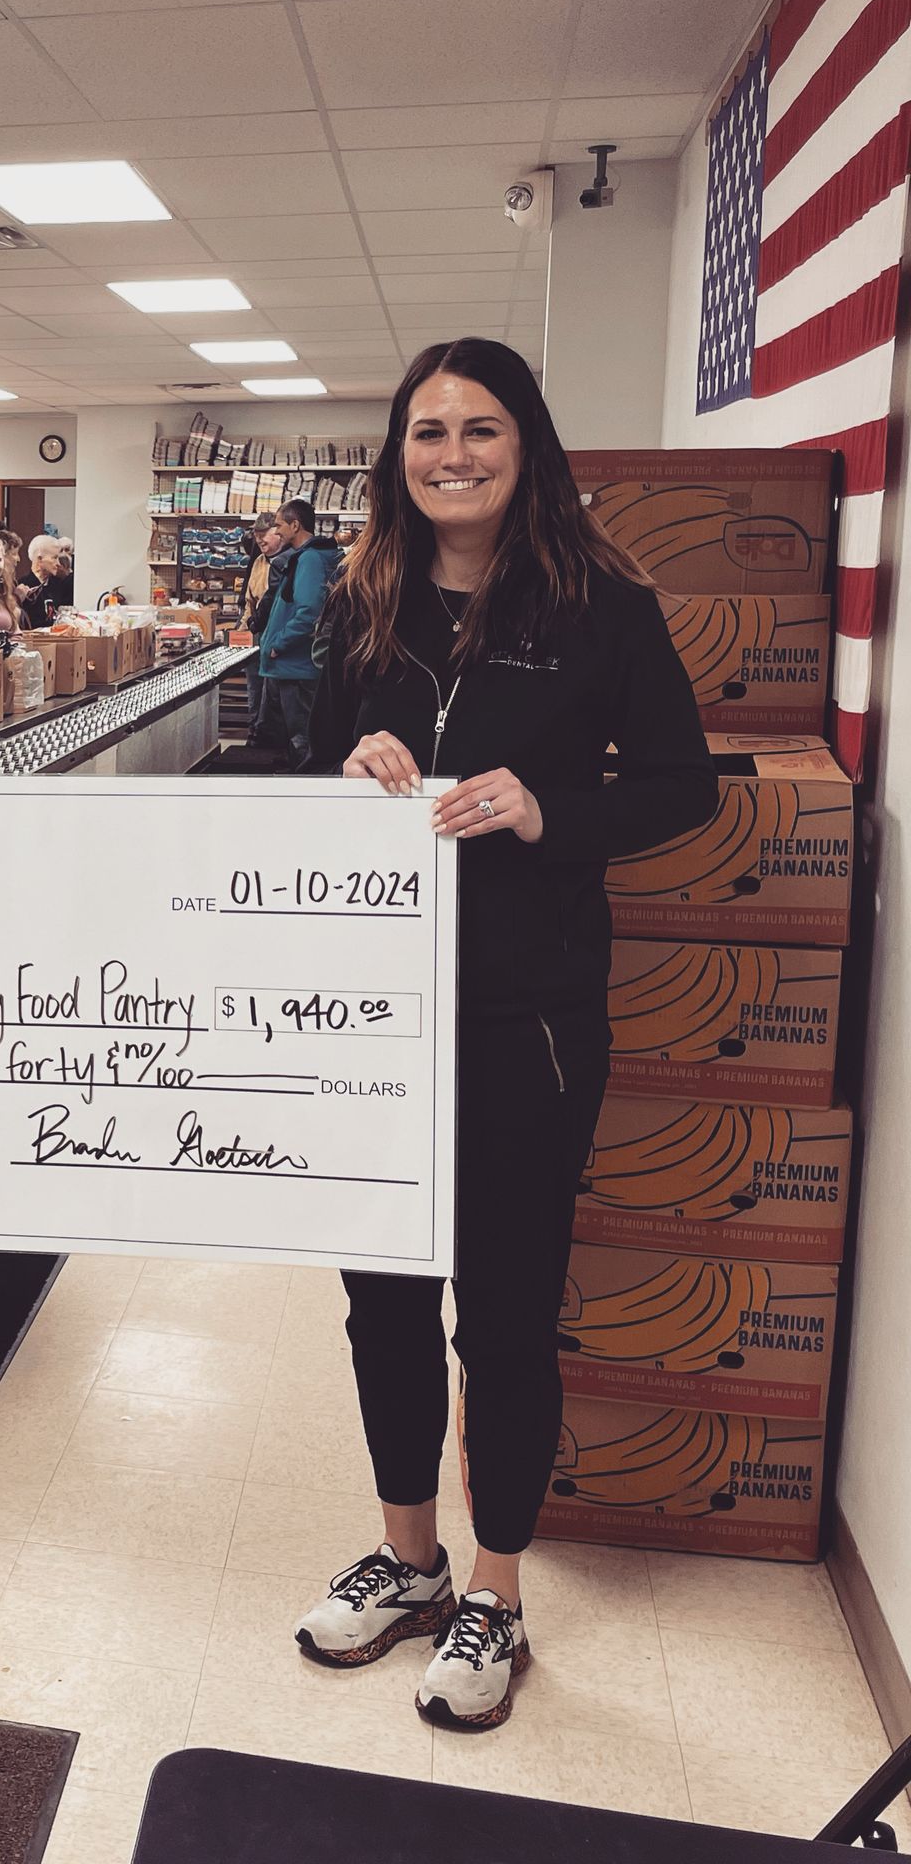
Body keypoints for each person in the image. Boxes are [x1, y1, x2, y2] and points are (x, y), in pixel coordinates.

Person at [294, 336, 717, 1731]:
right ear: (395, 454)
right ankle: (407, 1556)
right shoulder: (364, 597)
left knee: (510, 1318)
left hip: (525, 1012)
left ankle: (496, 1590)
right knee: (382, 1303)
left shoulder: (601, 601)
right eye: (427, 431)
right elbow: (300, 767)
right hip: (372, 1013)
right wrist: (349, 767)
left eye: (480, 428)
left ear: (525, 442)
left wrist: (549, 810)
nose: (453, 454)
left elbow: (681, 788)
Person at [250, 499, 331, 769]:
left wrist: (277, 644)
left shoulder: (309, 559)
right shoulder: (306, 557)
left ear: (295, 525)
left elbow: (309, 612)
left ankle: (305, 789)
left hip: (296, 666)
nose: (277, 530)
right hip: (293, 665)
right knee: (298, 736)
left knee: (302, 738)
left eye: (279, 524)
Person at [240, 512, 285, 737]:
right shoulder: (258, 561)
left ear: (279, 533)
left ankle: (269, 736)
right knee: (255, 688)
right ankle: (255, 732)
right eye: (256, 535)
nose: (259, 540)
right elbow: (250, 600)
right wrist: (241, 632)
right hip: (256, 634)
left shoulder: (290, 561)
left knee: (274, 693)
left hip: (277, 639)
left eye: (263, 534)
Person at [17, 534, 68, 629]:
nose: (58, 563)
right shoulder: (22, 587)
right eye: (54, 558)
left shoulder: (61, 584)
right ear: (40, 559)